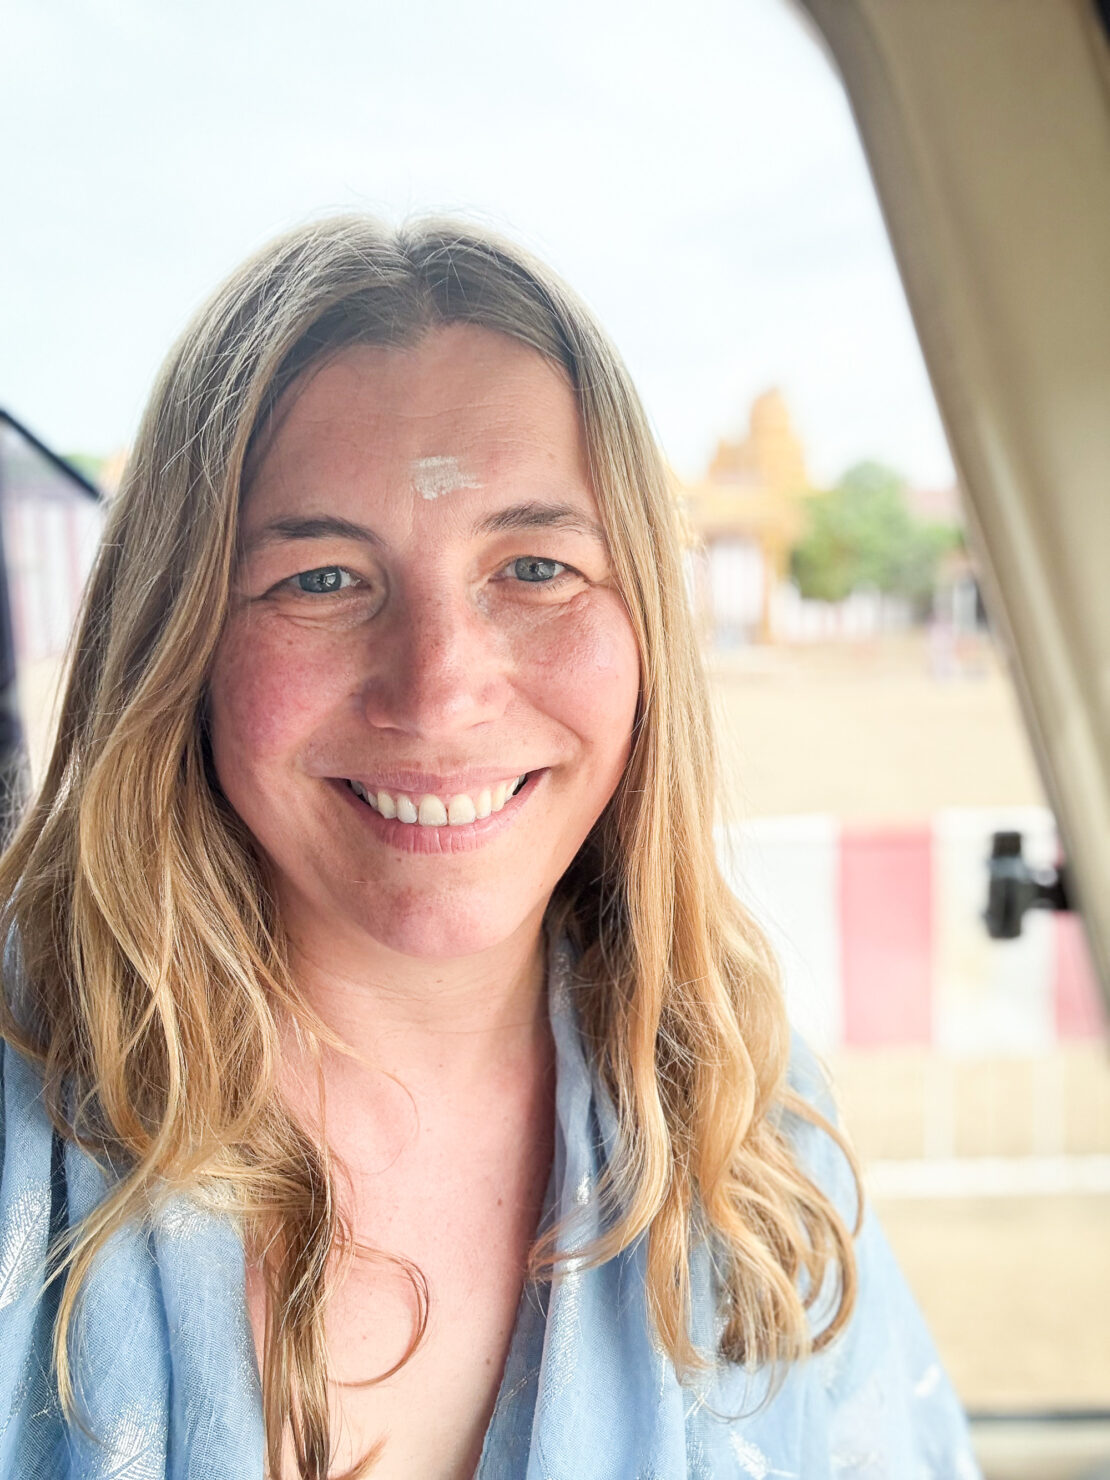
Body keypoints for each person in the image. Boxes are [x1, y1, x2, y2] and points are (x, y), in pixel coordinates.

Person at [0, 216, 982, 1480]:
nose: (439, 688)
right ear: (178, 638)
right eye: (321, 579)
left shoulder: (742, 1116)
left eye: (534, 566)